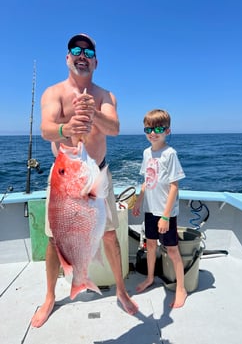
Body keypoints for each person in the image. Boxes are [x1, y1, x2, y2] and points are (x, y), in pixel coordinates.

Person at [31, 33, 138, 328]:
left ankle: (120, 290)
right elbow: (45, 129)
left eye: (88, 52)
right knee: (55, 240)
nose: (82, 55)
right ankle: (51, 295)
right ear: (67, 58)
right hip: (66, 178)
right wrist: (66, 128)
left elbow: (114, 127)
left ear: (95, 62)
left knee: (108, 236)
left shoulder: (105, 95)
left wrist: (93, 114)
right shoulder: (54, 93)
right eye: (75, 50)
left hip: (98, 176)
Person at [132, 109, 187, 308]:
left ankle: (181, 288)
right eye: (148, 128)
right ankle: (149, 278)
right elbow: (147, 180)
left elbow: (174, 185)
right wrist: (139, 201)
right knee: (151, 246)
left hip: (165, 213)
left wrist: (165, 216)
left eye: (158, 128)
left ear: (167, 130)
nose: (152, 132)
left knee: (172, 250)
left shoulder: (170, 153)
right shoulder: (147, 152)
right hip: (149, 210)